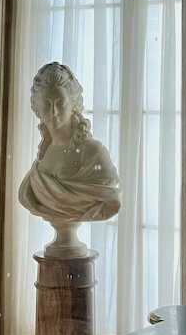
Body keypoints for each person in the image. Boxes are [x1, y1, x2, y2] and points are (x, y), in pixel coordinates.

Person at [18, 63, 121, 256]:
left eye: (60, 103)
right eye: (47, 105)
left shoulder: (93, 153)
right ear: (37, 107)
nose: (54, 112)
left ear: (73, 104)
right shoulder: (43, 156)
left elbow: (112, 198)